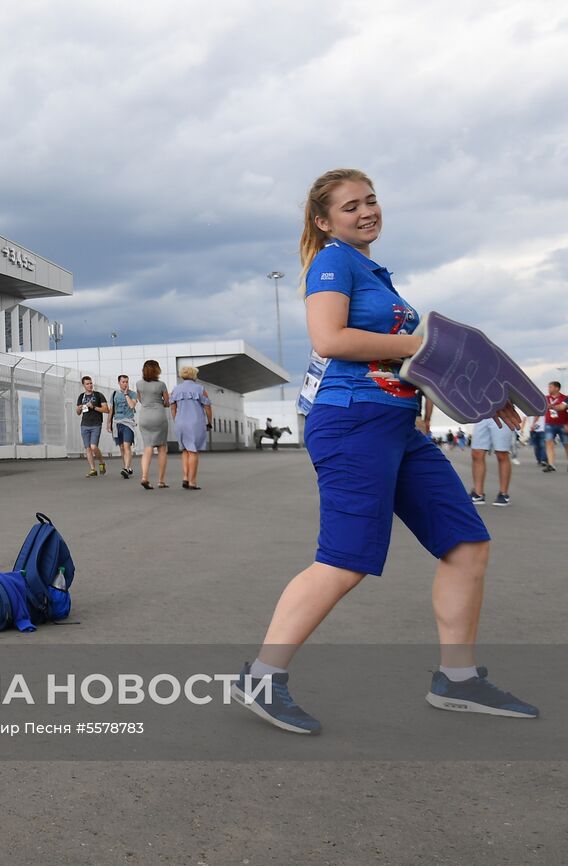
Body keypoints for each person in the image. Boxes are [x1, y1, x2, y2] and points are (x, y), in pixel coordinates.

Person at [234, 168, 535, 735]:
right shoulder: (333, 261)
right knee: (344, 560)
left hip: (397, 425)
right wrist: (423, 344)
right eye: (351, 206)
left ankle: (459, 679)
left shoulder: (375, 273)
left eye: (371, 200)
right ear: (325, 221)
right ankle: (262, 675)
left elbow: (409, 363)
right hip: (351, 421)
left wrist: (478, 390)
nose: (367, 211)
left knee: (466, 544)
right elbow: (330, 339)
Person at [169, 366, 212, 490]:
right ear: (194, 375)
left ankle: (185, 477)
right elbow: (207, 407)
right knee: (193, 451)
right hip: (195, 423)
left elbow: (172, 408)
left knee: (185, 450)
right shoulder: (200, 389)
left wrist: (176, 420)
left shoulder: (175, 389)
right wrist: (209, 422)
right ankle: (192, 481)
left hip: (180, 423)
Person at [467, 407, 514, 506]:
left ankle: (503, 493)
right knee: (476, 453)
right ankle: (478, 493)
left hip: (502, 410)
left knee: (502, 453)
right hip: (482, 411)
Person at [135, 359, 170, 490]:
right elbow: (167, 402)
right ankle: (161, 481)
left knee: (147, 448)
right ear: (157, 370)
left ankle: (144, 477)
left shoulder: (139, 384)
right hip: (158, 416)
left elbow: (140, 399)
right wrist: (161, 400)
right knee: (161, 448)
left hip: (144, 416)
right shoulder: (161, 385)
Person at [75, 375, 109, 477]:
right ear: (83, 385)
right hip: (84, 424)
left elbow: (106, 410)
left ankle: (101, 462)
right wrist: (80, 408)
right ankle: (92, 469)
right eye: (87, 384)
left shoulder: (99, 395)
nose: (90, 385)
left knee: (94, 446)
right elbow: (77, 412)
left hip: (96, 424)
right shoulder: (81, 396)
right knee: (88, 448)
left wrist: (93, 407)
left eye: (90, 383)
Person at [108, 374, 138, 478]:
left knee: (127, 446)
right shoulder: (114, 394)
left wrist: (126, 395)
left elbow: (132, 405)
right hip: (117, 423)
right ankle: (127, 467)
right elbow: (112, 410)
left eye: (127, 382)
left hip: (128, 423)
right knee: (121, 447)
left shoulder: (133, 394)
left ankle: (125, 468)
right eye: (123, 382)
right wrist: (109, 423)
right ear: (119, 382)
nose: (125, 384)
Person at [542, 380, 565, 472]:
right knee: (549, 443)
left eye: (550, 387)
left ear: (557, 388)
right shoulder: (545, 398)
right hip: (549, 424)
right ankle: (551, 464)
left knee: (566, 444)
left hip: (563, 424)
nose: (548, 389)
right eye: (548, 387)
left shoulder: (564, 398)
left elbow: (563, 408)